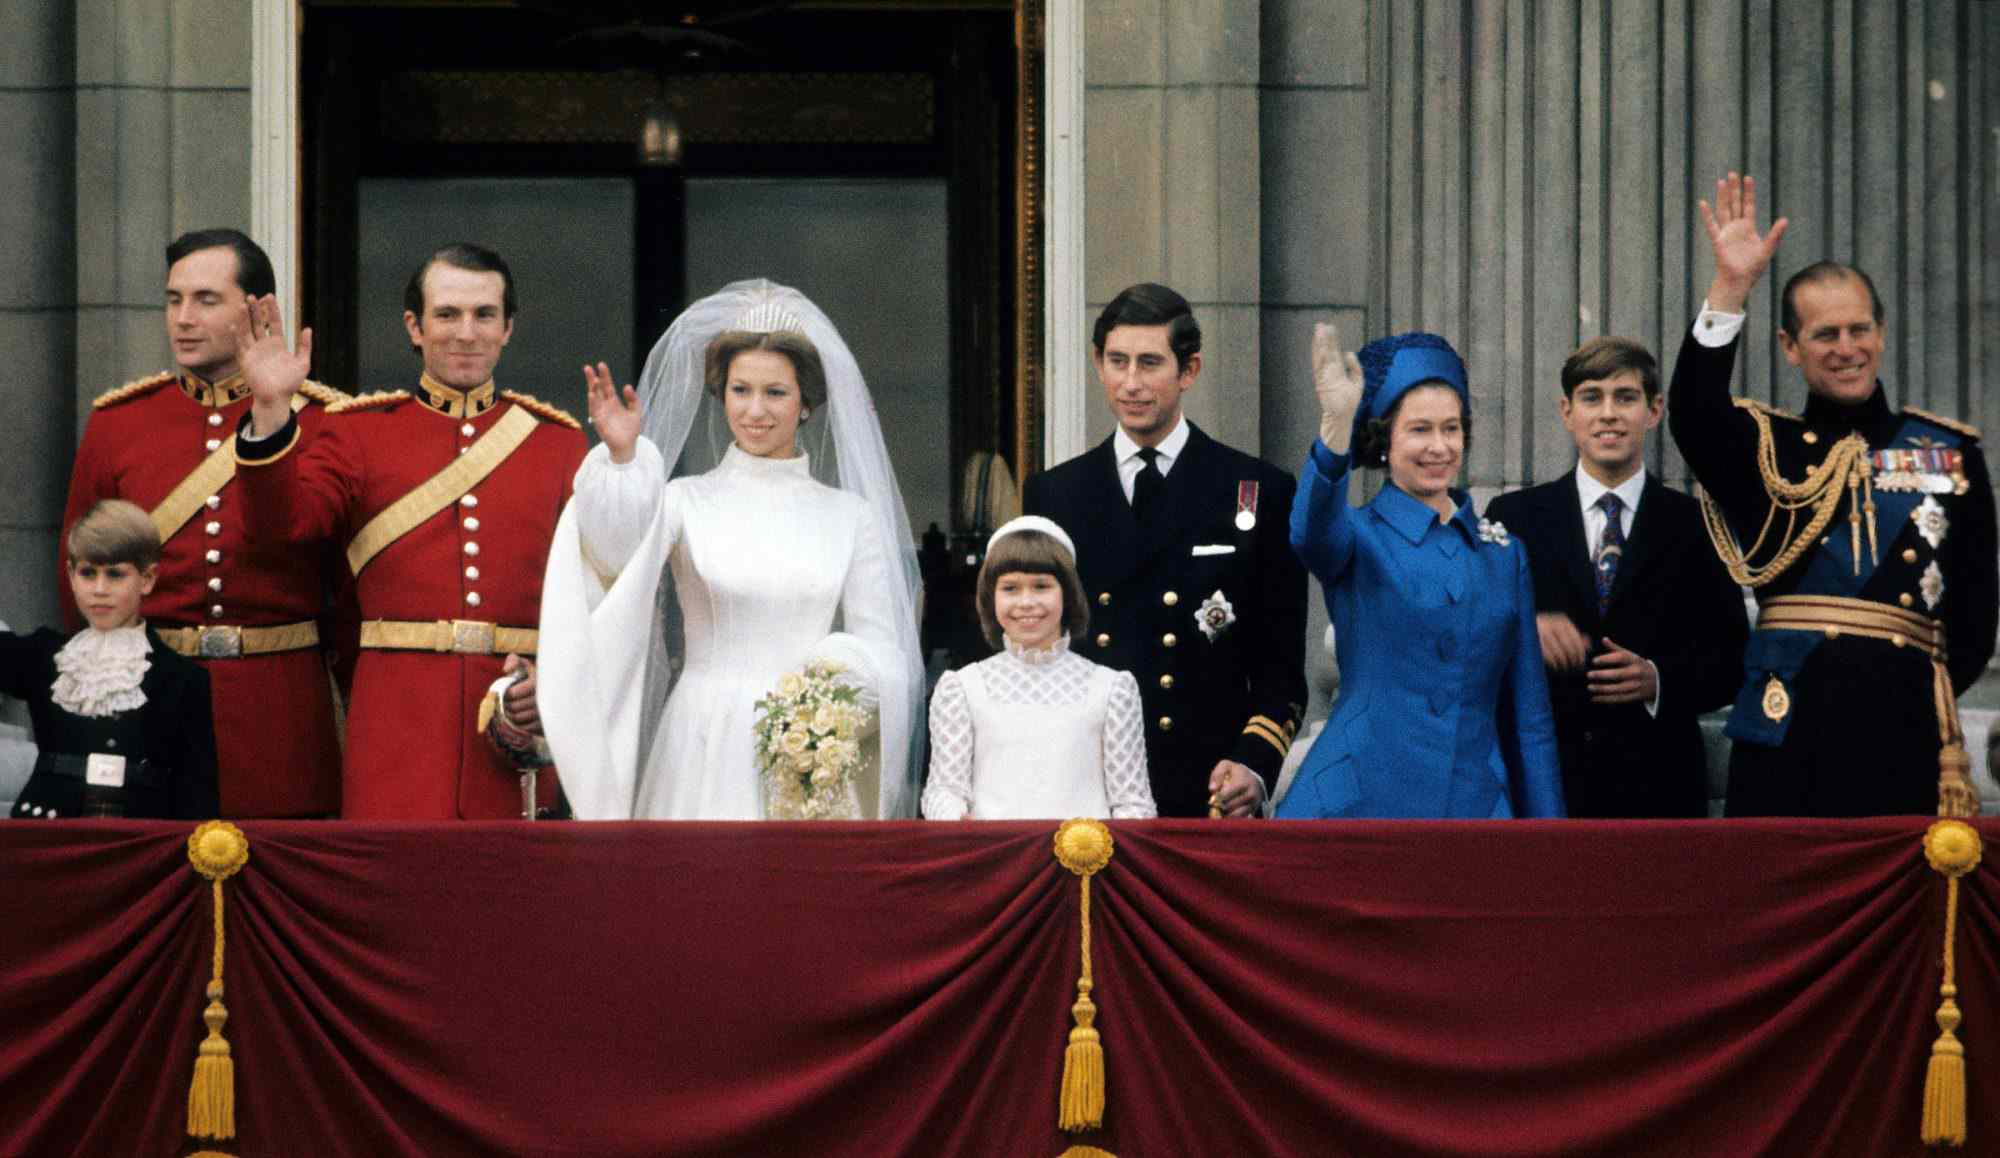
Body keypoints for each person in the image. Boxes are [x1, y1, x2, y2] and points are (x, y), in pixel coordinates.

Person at [1668, 173, 1997, 817]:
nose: (1846, 349)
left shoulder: (1951, 455)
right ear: (1791, 347)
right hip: (1787, 744)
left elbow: (1974, 625)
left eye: (1858, 329)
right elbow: (1694, 413)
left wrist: (1893, 688)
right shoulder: (1767, 449)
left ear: (1879, 332)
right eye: (1825, 335)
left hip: (1902, 741)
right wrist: (1731, 288)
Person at [537, 279, 925, 820]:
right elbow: (613, 561)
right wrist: (623, 462)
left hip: (812, 754)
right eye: (740, 390)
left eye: (776, 393)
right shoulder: (683, 500)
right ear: (721, 395)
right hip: (701, 739)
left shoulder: (850, 517)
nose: (755, 411)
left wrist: (824, 710)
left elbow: (884, 650)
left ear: (807, 403)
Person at [233, 243, 588, 819]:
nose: (466, 332)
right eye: (447, 314)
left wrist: (555, 681)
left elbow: (592, 594)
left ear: (508, 329)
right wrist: (271, 410)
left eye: (484, 315)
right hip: (396, 730)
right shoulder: (358, 434)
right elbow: (281, 531)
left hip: (514, 724)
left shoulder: (558, 443)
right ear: (414, 327)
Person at [61, 228, 350, 818]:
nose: (183, 319)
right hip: (149, 705)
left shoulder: (323, 422)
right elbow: (79, 592)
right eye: (174, 300)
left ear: (257, 309)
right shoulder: (120, 423)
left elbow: (344, 591)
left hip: (277, 712)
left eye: (205, 300)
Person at [1022, 283, 1307, 818]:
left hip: (1206, 791)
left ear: (1189, 370)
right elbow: (1035, 651)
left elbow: (1281, 671)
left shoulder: (1257, 490)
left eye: (1150, 363)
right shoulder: (1055, 494)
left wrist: (1252, 763)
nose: (1131, 383)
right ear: (1098, 364)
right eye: (1117, 362)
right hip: (1084, 789)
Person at [1277, 326, 1564, 819]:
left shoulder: (1503, 554)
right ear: (1385, 440)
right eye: (1419, 429)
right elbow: (1309, 533)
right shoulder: (1357, 535)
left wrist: (1548, 836)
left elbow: (1529, 720)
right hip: (1361, 800)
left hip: (1473, 806)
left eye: (1451, 428)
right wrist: (1334, 431)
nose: (1439, 446)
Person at [1483, 338, 1747, 817]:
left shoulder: (1697, 524)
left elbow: (1733, 659)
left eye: (1625, 397)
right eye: (1592, 397)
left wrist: (1659, 680)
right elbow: (1470, 637)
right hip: (1544, 785)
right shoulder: (1514, 517)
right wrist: (1523, 629)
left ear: (1654, 410)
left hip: (1657, 790)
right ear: (1567, 411)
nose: (1609, 413)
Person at [921, 516, 1156, 821]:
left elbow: (1134, 804)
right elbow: (944, 789)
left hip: (1086, 863)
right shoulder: (963, 689)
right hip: (995, 863)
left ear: (1067, 595)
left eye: (1042, 586)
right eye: (1010, 588)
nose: (1026, 602)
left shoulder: (1111, 688)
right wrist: (956, 820)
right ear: (990, 597)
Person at [5, 500, 218, 820]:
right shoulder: (43, 657)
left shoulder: (181, 678)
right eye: (88, 573)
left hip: (139, 840)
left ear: (147, 579)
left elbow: (197, 794)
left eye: (115, 575)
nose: (99, 589)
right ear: (70, 575)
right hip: (48, 832)